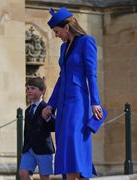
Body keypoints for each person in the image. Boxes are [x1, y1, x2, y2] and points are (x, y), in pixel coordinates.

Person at [42, 7, 104, 180]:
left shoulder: (87, 41)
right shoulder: (63, 48)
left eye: (56, 31)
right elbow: (61, 78)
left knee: (72, 141)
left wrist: (95, 102)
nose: (56, 35)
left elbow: (91, 75)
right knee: (66, 143)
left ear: (67, 27)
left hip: (78, 101)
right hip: (62, 102)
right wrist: (50, 105)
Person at [19, 77, 56, 180]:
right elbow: (27, 131)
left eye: (33, 88)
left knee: (44, 177)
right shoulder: (27, 111)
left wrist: (48, 118)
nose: (29, 91)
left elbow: (53, 127)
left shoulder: (47, 108)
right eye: (28, 88)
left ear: (42, 91)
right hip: (29, 149)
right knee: (23, 173)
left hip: (43, 148)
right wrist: (24, 148)